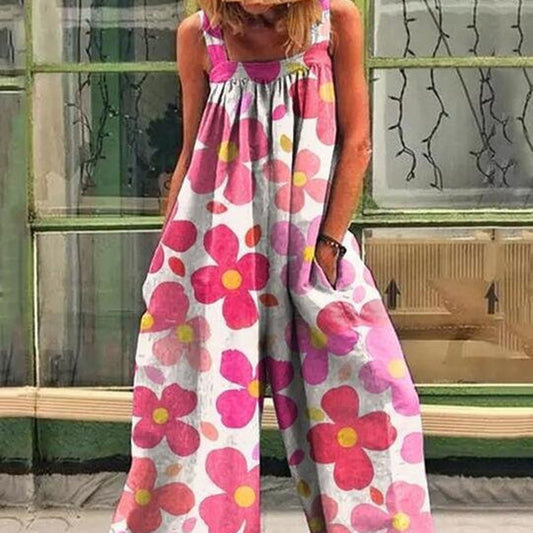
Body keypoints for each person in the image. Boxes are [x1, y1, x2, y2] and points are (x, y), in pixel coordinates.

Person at [109, 0, 436, 531]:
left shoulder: (335, 22)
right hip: (213, 256)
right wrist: (168, 260)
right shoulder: (199, 36)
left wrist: (328, 246)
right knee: (196, 412)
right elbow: (192, 150)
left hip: (309, 254)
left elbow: (357, 143)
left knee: (374, 392)